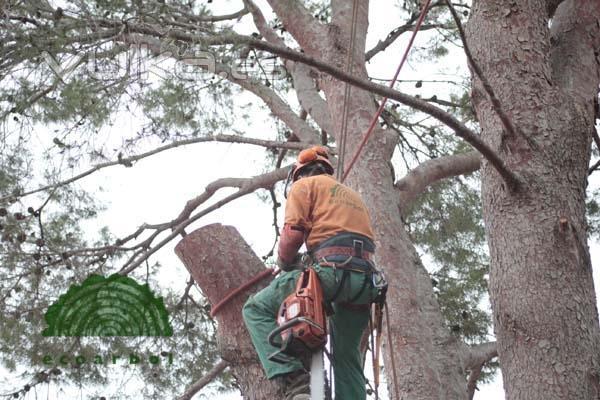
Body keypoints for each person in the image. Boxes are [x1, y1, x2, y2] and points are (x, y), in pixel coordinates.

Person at [242, 146, 382, 400]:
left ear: (299, 174)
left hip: (331, 274)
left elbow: (292, 236)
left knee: (254, 309)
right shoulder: (352, 195)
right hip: (365, 283)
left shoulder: (303, 187)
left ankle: (296, 383)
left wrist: (285, 262)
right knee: (346, 358)